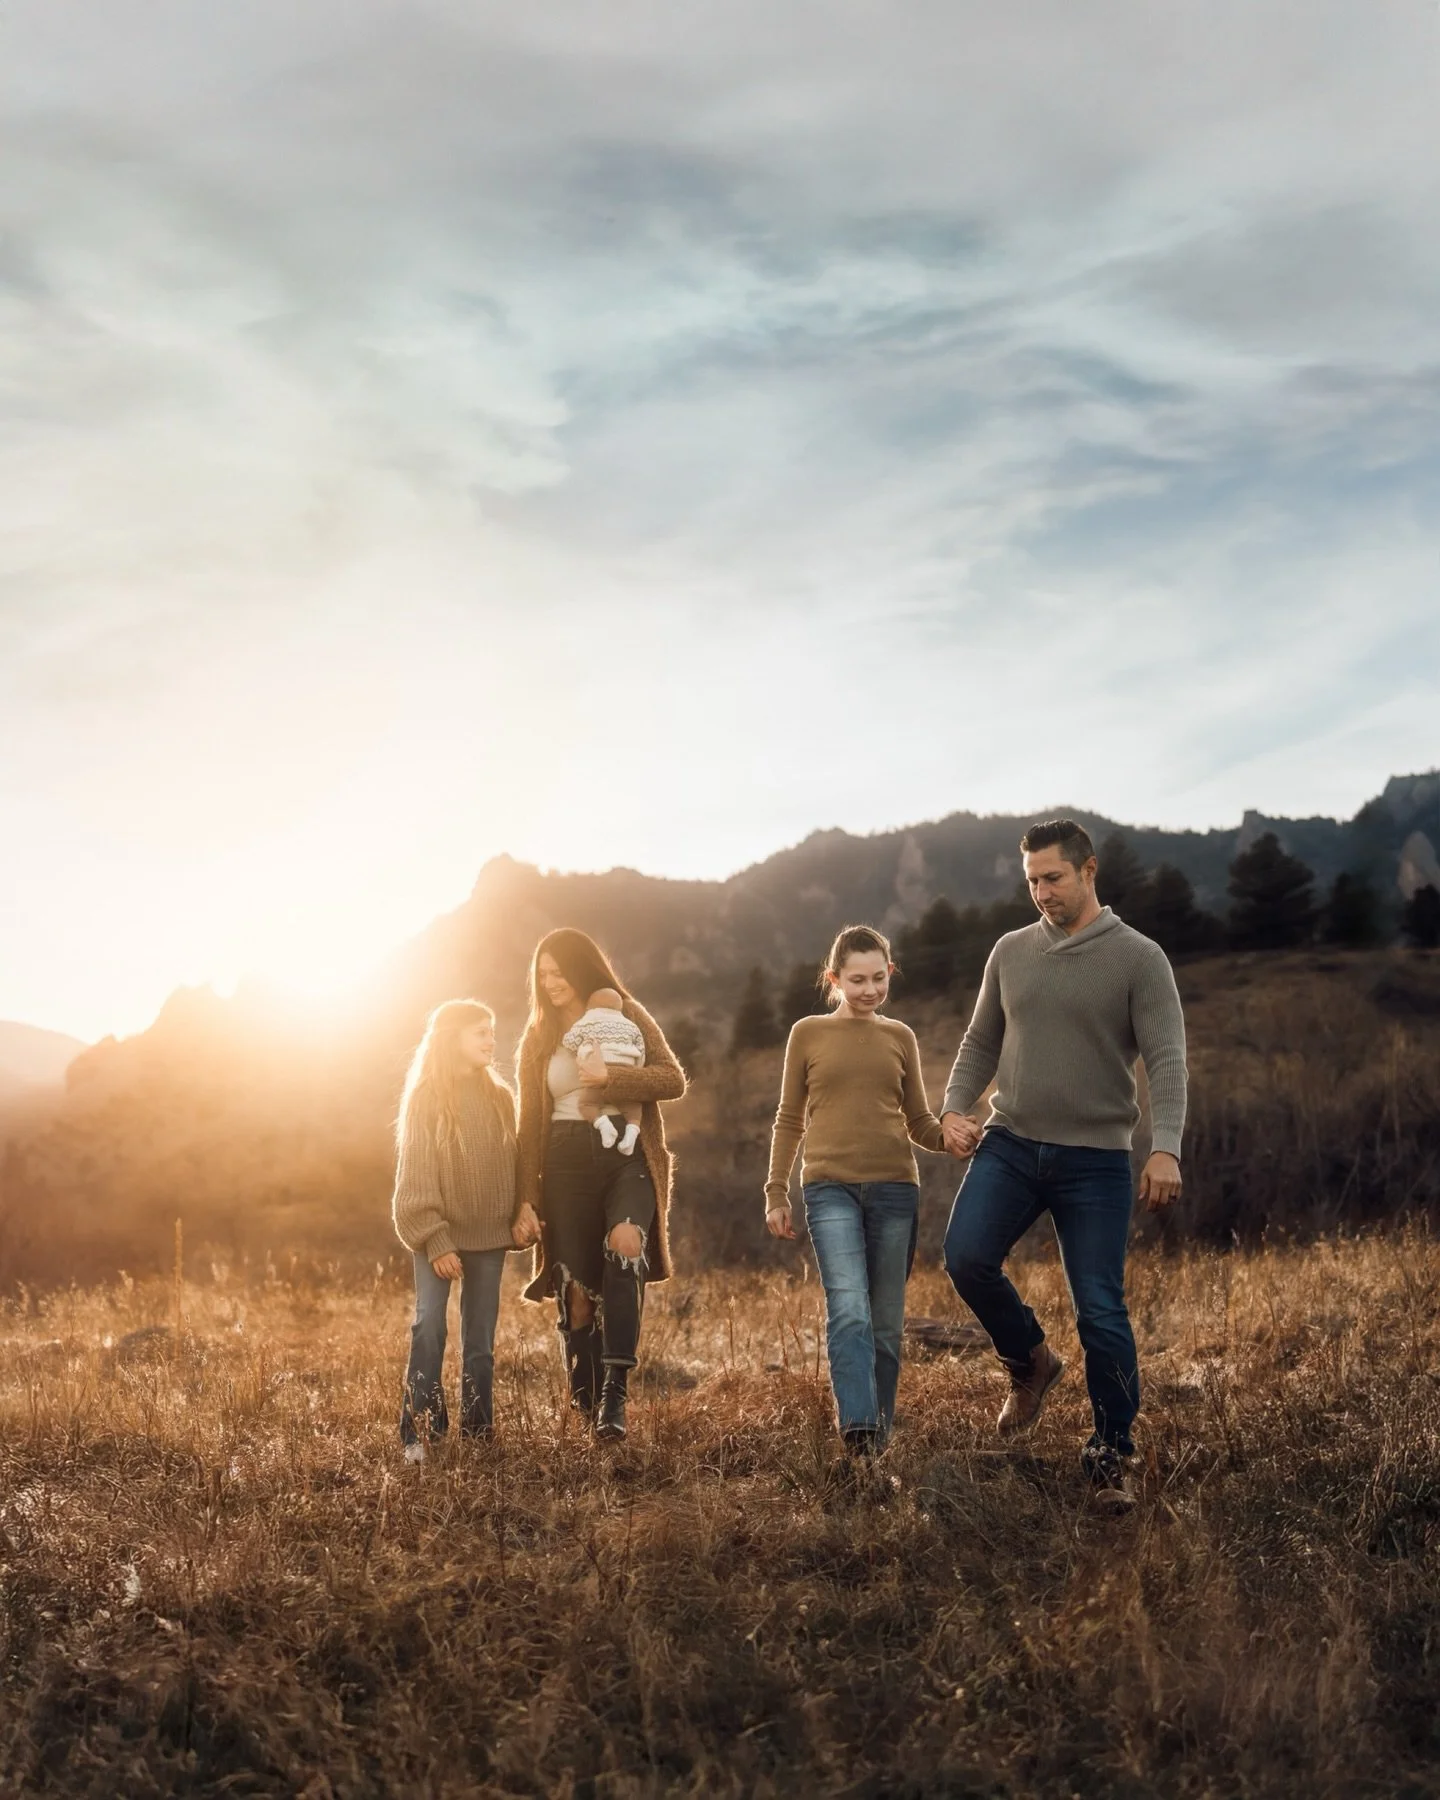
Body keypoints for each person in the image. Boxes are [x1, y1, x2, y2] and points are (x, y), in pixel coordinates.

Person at [939, 820, 1187, 1509]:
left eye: (1053, 878)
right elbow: (980, 1038)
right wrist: (955, 1108)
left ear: (1088, 871)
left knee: (1101, 1310)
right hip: (1011, 1142)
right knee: (965, 1258)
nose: (1042, 893)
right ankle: (1032, 1364)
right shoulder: (1011, 951)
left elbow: (1167, 1062)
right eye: (1032, 882)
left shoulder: (1140, 959)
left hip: (1095, 1159)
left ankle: (1114, 1451)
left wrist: (1165, 1145)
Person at [765, 924, 958, 1457]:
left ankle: (881, 1435)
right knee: (849, 1307)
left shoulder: (901, 1037)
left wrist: (950, 1138)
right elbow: (788, 1119)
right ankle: (859, 1430)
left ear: (889, 973)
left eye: (879, 978)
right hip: (829, 1188)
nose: (870, 989)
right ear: (834, 979)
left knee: (887, 1321)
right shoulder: (807, 1033)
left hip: (896, 1189)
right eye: (857, 979)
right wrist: (775, 1191)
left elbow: (919, 1120)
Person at [514, 928, 687, 1441]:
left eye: (558, 972)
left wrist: (607, 1081)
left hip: (626, 1154)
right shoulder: (538, 1037)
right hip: (563, 1157)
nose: (550, 983)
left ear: (583, 967)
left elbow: (671, 1078)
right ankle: (584, 1403)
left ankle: (615, 1395)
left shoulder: (627, 1014)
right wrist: (526, 1198)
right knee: (577, 1295)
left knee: (626, 1243)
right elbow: (529, 1126)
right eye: (541, 975)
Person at [391, 999, 534, 1463]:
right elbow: (414, 1178)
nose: (491, 1039)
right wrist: (435, 1240)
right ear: (452, 1038)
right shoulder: (427, 1097)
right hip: (438, 1236)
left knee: (480, 1343)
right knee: (428, 1325)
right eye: (480, 1032)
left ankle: (478, 1431)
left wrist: (520, 1215)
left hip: (489, 1238)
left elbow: (514, 1166)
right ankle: (420, 1428)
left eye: (492, 1030)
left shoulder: (501, 1097)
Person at [561, 987, 646, 1154]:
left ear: (589, 1006)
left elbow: (569, 1042)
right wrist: (635, 1069)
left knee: (587, 1104)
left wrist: (576, 1049)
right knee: (633, 1108)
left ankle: (604, 1125)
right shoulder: (631, 1025)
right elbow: (641, 1051)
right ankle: (631, 1133)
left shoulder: (588, 1020)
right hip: (625, 1070)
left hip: (596, 1072)